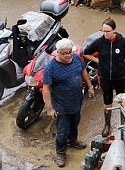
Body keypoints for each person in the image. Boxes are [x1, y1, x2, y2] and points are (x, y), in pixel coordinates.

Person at [83, 18, 125, 137]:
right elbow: (85, 52)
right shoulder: (99, 42)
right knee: (107, 101)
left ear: (114, 30)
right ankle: (107, 124)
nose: (105, 34)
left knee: (122, 99)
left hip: (121, 76)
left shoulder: (122, 41)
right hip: (105, 77)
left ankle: (124, 123)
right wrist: (97, 60)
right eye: (103, 31)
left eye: (107, 31)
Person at [43, 38, 95, 167]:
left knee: (75, 122)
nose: (68, 55)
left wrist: (90, 86)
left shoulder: (76, 58)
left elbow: (83, 71)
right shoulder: (51, 68)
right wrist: (49, 108)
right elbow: (46, 88)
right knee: (62, 130)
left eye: (69, 52)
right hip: (61, 105)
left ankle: (73, 141)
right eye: (64, 53)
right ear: (58, 53)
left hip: (77, 100)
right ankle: (60, 153)